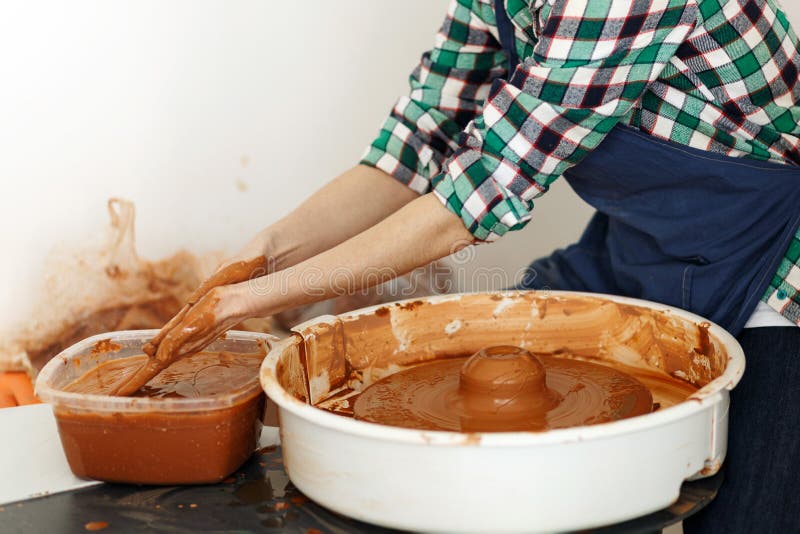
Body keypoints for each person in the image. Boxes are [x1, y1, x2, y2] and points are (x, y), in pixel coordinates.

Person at [147, 1, 800, 531]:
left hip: (780, 270)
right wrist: (257, 256)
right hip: (646, 248)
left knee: (748, 510)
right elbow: (417, 143)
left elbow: (476, 196)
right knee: (493, 395)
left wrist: (255, 301)